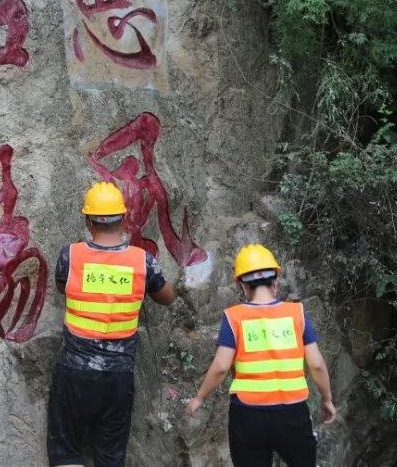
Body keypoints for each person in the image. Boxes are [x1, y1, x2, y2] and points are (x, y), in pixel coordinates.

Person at [47, 181, 176, 467]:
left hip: (74, 373)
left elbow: (61, 286)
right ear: (123, 218)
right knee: (110, 456)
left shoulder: (70, 256)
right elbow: (167, 297)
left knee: (66, 452)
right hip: (118, 378)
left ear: (87, 220)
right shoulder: (143, 262)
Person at [186, 244, 336, 467]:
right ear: (275, 280)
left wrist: (199, 398)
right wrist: (327, 399)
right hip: (293, 413)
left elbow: (220, 367)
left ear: (242, 286)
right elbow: (316, 365)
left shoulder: (234, 318)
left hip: (248, 415)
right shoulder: (297, 314)